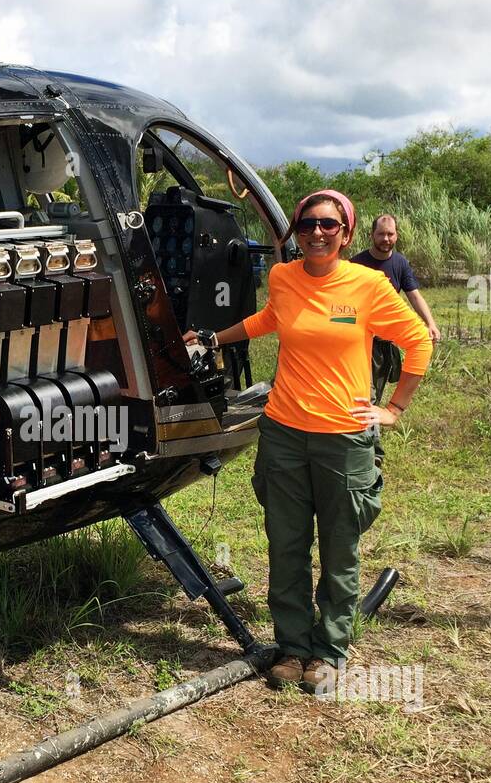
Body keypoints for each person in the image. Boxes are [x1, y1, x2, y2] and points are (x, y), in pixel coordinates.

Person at [186, 191, 432, 691]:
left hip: (343, 440)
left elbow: (418, 341)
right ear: (296, 232)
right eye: (306, 226)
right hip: (283, 434)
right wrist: (214, 339)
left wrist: (394, 408)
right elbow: (270, 320)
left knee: (340, 549)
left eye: (327, 225)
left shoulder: (369, 285)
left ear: (346, 232)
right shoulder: (283, 278)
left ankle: (330, 649)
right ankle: (293, 646)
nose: (316, 233)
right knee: (287, 544)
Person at [351, 214, 440, 409]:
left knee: (376, 395)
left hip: (385, 343)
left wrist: (430, 323)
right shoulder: (356, 264)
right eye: (381, 234)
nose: (386, 239)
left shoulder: (400, 263)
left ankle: (368, 430)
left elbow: (414, 296)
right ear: (371, 235)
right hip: (360, 341)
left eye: (390, 234)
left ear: (397, 235)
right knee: (364, 395)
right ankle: (362, 435)